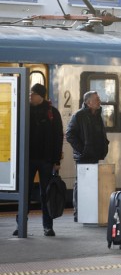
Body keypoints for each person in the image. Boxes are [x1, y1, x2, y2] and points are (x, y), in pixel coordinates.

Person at [13, 84, 64, 237]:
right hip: (27, 159)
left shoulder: (52, 113)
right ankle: (20, 225)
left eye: (33, 94)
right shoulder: (24, 110)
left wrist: (57, 161)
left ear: (40, 96)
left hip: (46, 160)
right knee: (25, 193)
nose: (30, 96)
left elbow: (58, 137)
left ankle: (48, 226)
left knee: (45, 194)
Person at [65, 90, 109, 222]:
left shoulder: (97, 116)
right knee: (81, 184)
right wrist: (82, 150)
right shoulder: (79, 115)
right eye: (96, 99)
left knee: (93, 185)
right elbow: (69, 134)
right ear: (88, 102)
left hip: (96, 156)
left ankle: (90, 211)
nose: (99, 101)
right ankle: (78, 212)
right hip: (83, 157)